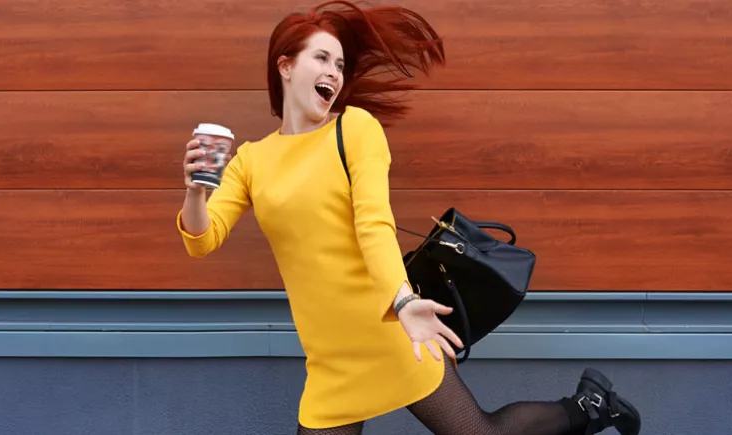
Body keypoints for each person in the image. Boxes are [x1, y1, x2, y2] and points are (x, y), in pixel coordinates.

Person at [176, 1, 643, 434]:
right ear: (286, 65)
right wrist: (197, 191)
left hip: (395, 327)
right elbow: (202, 239)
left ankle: (588, 407)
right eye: (321, 59)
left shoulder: (355, 129)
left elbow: (374, 226)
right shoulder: (251, 160)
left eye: (340, 65)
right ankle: (589, 406)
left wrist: (402, 303)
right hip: (330, 358)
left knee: (478, 432)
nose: (333, 73)